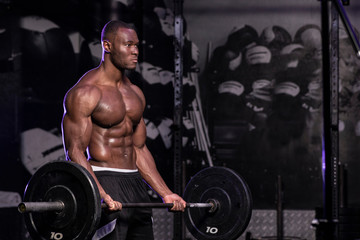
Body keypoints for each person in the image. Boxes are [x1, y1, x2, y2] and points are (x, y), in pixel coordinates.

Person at [61, 20, 186, 240]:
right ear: (107, 46)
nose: (135, 51)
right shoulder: (86, 92)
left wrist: (165, 192)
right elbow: (75, 151)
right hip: (104, 181)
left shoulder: (136, 93)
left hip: (136, 184)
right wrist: (99, 194)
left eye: (137, 45)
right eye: (128, 45)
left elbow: (139, 148)